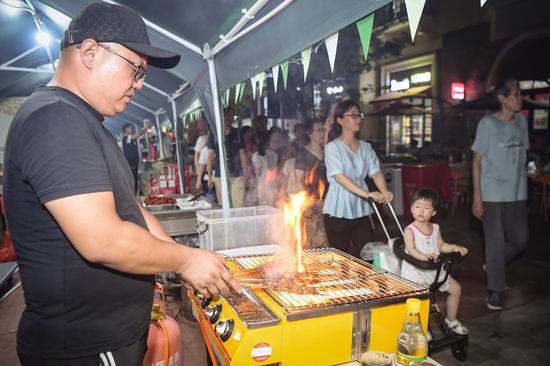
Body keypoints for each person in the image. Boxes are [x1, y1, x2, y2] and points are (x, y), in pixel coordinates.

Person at [3, 3, 240, 365]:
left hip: (110, 336)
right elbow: (102, 240)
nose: (140, 83)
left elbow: (133, 209)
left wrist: (185, 262)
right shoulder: (55, 120)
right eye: (136, 68)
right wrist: (184, 261)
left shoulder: (84, 122)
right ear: (90, 52)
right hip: (83, 346)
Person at [471, 78, 529, 311]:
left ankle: (493, 265)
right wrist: (477, 196)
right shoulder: (487, 124)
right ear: (502, 99)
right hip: (492, 193)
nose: (519, 98)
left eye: (519, 94)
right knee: (494, 243)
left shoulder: (522, 122)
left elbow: (523, 155)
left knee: (521, 239)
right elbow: (476, 161)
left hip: (518, 192)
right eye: (514, 95)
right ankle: (495, 291)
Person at [323, 100, 393, 258]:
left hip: (361, 209)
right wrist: (367, 194)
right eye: (352, 115)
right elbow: (339, 177)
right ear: (340, 120)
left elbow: (375, 171)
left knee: (368, 256)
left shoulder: (366, 147)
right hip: (338, 210)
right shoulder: (332, 148)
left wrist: (384, 192)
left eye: (359, 115)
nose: (358, 119)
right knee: (340, 259)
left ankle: (366, 282)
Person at [401, 189, 469, 335]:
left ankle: (451, 319)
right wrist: (424, 257)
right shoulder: (409, 230)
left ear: (433, 212)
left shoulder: (435, 228)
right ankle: (420, 327)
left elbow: (441, 245)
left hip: (434, 271)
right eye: (417, 206)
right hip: (416, 272)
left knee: (456, 289)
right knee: (421, 301)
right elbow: (411, 250)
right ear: (411, 209)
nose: (421, 211)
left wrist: (455, 247)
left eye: (426, 208)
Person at [295, 119, 328, 248]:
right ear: (310, 133)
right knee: (312, 241)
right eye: (319, 130)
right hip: (312, 202)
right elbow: (299, 181)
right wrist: (306, 205)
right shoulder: (302, 154)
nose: (322, 133)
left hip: (330, 202)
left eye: (323, 130)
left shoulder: (328, 151)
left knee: (328, 239)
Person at [207, 107, 249, 208]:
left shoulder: (238, 133)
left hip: (237, 175)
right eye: (226, 115)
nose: (229, 118)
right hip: (220, 175)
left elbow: (242, 154)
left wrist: (246, 173)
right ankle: (228, 224)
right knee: (224, 206)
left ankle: (238, 224)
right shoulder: (213, 134)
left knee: (238, 205)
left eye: (231, 115)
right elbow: (210, 156)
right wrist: (209, 177)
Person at [122, 120, 150, 194]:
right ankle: (132, 195)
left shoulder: (131, 139)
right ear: (126, 129)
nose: (133, 129)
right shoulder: (126, 138)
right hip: (130, 163)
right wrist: (145, 128)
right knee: (132, 179)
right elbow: (138, 134)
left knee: (135, 178)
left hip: (135, 163)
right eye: (131, 128)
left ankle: (134, 194)